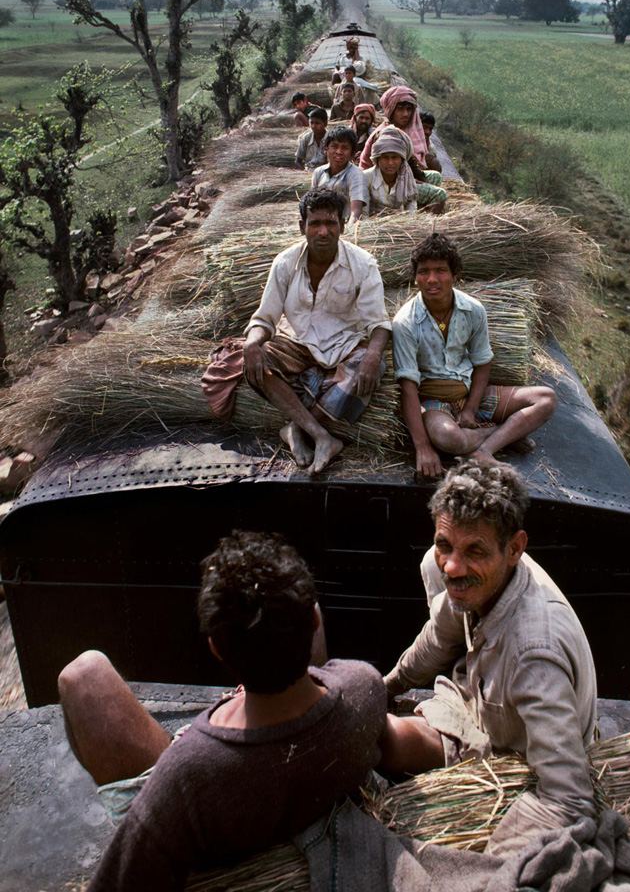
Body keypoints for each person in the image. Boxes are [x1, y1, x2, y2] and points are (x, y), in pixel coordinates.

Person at [59, 531, 386, 891]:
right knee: (287, 608)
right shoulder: (363, 688)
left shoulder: (186, 775)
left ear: (216, 648)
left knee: (82, 675)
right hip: (311, 756)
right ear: (314, 623)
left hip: (216, 806)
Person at [380, 458, 597, 859]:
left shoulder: (535, 658)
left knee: (385, 745)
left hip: (510, 745)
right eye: (445, 544)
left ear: (514, 549)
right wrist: (386, 687)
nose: (453, 565)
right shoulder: (472, 577)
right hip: (475, 696)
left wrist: (483, 867)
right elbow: (438, 639)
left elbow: (570, 799)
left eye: (474, 551)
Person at [202, 188, 390, 474]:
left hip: (344, 344)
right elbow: (264, 319)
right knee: (256, 358)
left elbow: (378, 323)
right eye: (314, 224)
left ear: (343, 224)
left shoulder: (363, 264)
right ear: (302, 226)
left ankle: (296, 428)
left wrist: (374, 354)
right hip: (297, 341)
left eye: (331, 223)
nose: (323, 232)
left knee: (370, 368)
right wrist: (253, 343)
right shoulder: (285, 263)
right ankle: (321, 435)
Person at [392, 233, 558, 477]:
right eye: (423, 272)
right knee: (448, 438)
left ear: (455, 275)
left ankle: (484, 450)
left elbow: (482, 362)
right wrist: (423, 447)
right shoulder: (405, 322)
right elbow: (407, 387)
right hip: (435, 403)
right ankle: (508, 433)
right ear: (415, 277)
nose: (432, 279)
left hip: (472, 395)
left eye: (440, 270)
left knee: (547, 399)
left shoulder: (472, 309)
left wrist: (470, 408)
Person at [311, 126, 368, 226]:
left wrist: (347, 233)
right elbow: (312, 205)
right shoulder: (318, 173)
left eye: (345, 148)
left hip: (344, 226)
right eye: (334, 146)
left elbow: (356, 212)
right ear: (326, 149)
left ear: (352, 153)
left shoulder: (356, 174)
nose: (339, 152)